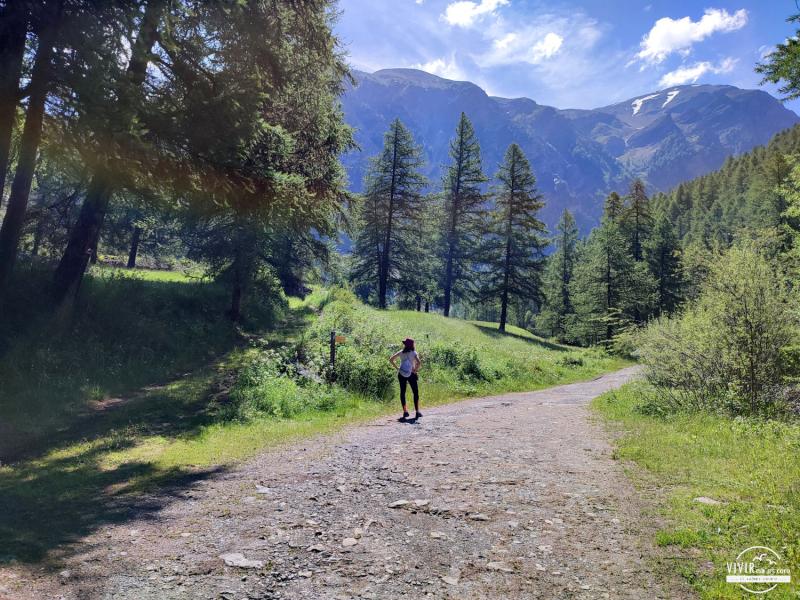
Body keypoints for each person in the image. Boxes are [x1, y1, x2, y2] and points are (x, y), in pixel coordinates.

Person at [389, 337, 422, 421]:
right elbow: (419, 363)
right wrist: (415, 370)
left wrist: (397, 368)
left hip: (401, 373)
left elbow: (391, 359)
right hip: (411, 374)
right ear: (412, 345)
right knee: (415, 392)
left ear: (405, 345)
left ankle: (405, 411)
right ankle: (417, 411)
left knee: (402, 392)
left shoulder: (401, 352)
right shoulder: (414, 353)